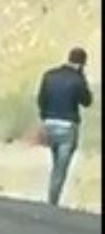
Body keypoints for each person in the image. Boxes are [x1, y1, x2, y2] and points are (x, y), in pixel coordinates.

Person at [36, 47, 93, 206]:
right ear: (82, 63)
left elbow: (41, 100)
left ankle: (52, 197)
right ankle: (52, 202)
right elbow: (87, 101)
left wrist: (45, 117)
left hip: (49, 124)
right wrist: (82, 79)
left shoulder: (49, 75)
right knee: (61, 167)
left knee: (56, 162)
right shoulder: (77, 79)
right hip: (68, 126)